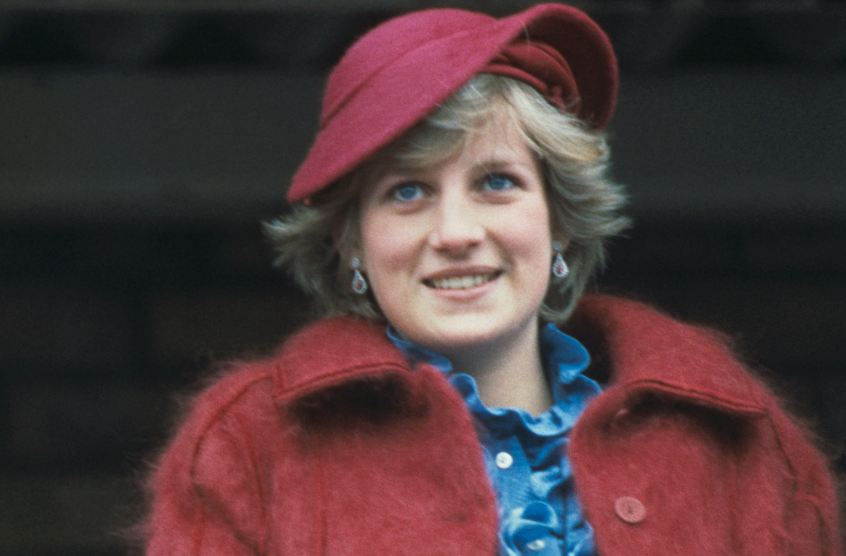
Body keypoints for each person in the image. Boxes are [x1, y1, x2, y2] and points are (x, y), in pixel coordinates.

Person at [144, 4, 842, 555]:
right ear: (351, 240)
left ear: (559, 220)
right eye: (408, 191)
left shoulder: (737, 437)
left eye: (497, 182)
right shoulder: (249, 445)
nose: (455, 232)